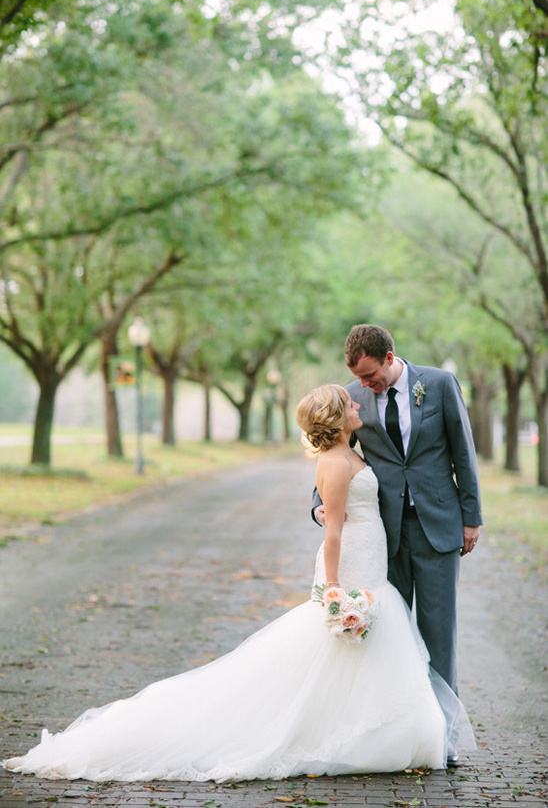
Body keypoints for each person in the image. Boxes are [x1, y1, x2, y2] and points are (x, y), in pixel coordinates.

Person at [3, 385, 473, 783]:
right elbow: (332, 533)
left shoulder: (353, 451)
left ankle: (373, 733)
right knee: (336, 652)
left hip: (372, 565)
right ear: (337, 417)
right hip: (351, 568)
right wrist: (333, 591)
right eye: (349, 406)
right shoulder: (334, 463)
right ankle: (347, 736)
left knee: (365, 654)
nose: (358, 407)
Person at [313, 326, 483, 766]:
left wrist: (471, 518)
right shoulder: (351, 396)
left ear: (390, 358)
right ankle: (393, 735)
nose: (365, 386)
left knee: (437, 636)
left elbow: (463, 452)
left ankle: (442, 737)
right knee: (389, 637)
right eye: (359, 379)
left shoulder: (440, 385)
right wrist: (320, 505)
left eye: (371, 376)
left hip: (439, 527)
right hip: (381, 534)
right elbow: (333, 449)